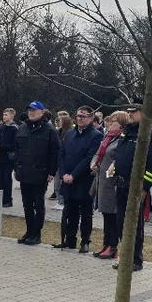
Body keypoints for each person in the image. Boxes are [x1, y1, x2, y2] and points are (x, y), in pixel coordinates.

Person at [113, 103, 152, 272]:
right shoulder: (127, 131)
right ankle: (125, 257)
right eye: (129, 111)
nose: (130, 114)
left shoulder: (149, 134)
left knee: (134, 225)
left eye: (134, 112)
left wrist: (144, 187)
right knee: (120, 223)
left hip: (135, 187)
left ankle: (136, 259)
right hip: (120, 183)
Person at [54, 106, 103, 253]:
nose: (80, 119)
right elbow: (61, 154)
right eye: (78, 116)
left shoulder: (95, 135)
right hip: (68, 179)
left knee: (86, 213)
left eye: (84, 116)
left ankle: (85, 241)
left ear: (90, 118)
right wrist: (64, 174)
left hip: (84, 180)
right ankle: (70, 240)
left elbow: (89, 158)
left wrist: (74, 175)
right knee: (70, 211)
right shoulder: (69, 133)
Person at [14, 101, 60, 245]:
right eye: (29, 110)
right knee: (27, 204)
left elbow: (55, 152)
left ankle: (36, 234)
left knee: (38, 205)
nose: (31, 113)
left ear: (41, 112)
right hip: (24, 172)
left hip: (40, 173)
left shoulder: (49, 129)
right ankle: (28, 231)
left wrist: (52, 171)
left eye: (34, 110)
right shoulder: (22, 128)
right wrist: (16, 168)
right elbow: (17, 151)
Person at [91, 110, 125, 259]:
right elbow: (98, 153)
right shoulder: (108, 137)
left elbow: (121, 160)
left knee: (112, 215)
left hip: (113, 183)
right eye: (109, 121)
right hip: (102, 181)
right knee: (105, 214)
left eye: (114, 122)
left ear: (122, 126)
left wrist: (111, 171)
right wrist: (94, 163)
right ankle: (106, 244)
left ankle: (113, 246)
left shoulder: (122, 140)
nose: (109, 124)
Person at [0, 107, 19, 208]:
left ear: (12, 116)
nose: (4, 116)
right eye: (3, 115)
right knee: (0, 179)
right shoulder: (2, 127)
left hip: (8, 158)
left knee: (7, 179)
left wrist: (1, 147)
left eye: (6, 115)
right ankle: (1, 199)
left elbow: (14, 145)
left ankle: (8, 200)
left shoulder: (14, 129)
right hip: (0, 157)